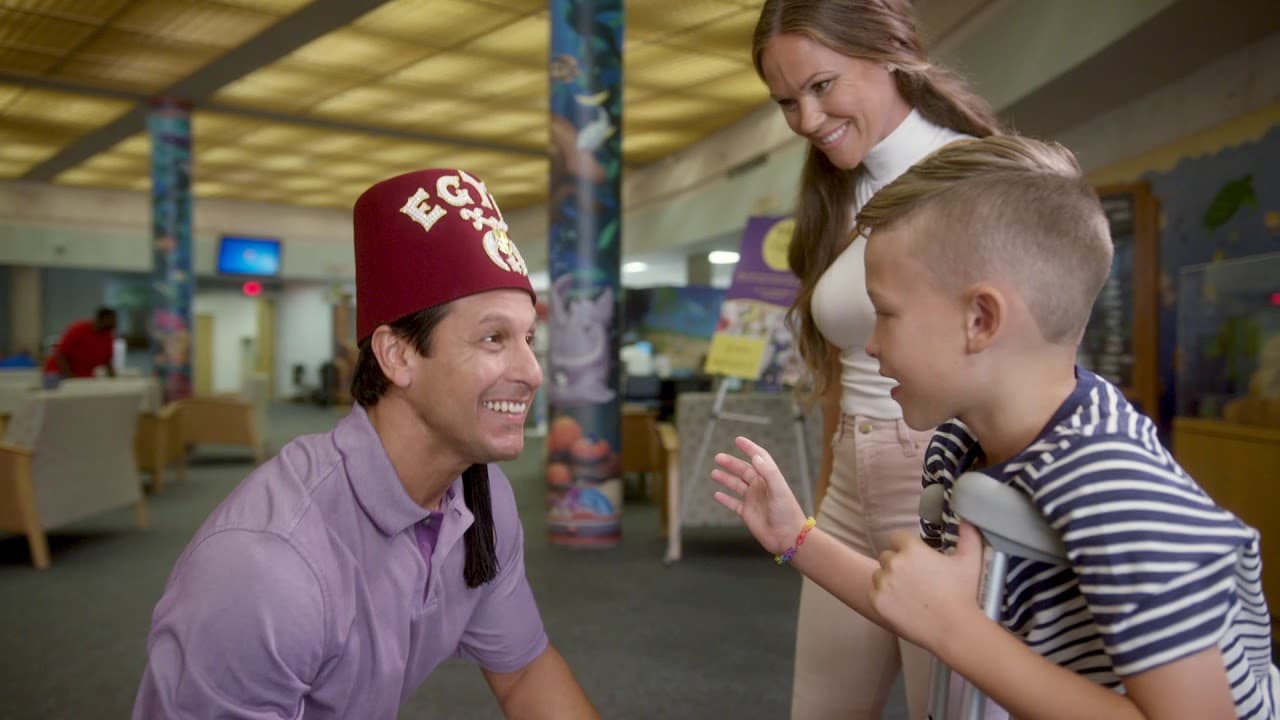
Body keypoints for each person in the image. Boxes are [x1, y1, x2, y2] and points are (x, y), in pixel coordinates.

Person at [712, 135, 1279, 719]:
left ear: (981, 319)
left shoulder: (1116, 487)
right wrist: (795, 539)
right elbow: (921, 602)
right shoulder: (956, 445)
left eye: (885, 313)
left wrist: (955, 630)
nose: (871, 345)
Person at [133, 169, 599, 720]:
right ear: (397, 355)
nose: (532, 371)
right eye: (494, 338)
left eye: (529, 339)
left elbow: (524, 674)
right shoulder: (267, 565)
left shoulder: (480, 497)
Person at [749, 1, 1001, 716]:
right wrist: (829, 486)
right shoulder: (839, 188)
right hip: (849, 484)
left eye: (821, 85)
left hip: (945, 479)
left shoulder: (971, 176)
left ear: (889, 51)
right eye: (786, 101)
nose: (806, 118)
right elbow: (841, 365)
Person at [42, 306, 117, 387]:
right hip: (58, 372)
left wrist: (115, 382)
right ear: (103, 319)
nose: (115, 324)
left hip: (83, 375)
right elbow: (60, 355)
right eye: (112, 320)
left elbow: (107, 362)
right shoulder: (79, 329)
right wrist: (71, 378)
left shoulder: (108, 337)